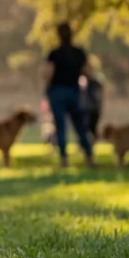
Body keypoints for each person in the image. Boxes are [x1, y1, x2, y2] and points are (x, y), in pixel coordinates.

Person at [43, 22, 95, 168]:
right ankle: (89, 157)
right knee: (80, 126)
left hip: (58, 91)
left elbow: (48, 73)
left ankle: (64, 159)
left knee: (60, 127)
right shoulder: (79, 53)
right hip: (74, 92)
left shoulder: (54, 54)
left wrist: (47, 86)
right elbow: (88, 72)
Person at [79, 65, 104, 142]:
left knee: (93, 128)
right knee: (84, 128)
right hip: (85, 108)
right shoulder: (82, 81)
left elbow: (101, 95)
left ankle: (93, 143)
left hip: (94, 108)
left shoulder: (96, 82)